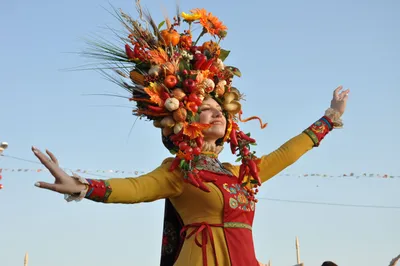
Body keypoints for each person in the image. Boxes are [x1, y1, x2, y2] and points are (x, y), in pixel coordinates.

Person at [31, 4, 349, 266]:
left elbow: (284, 154)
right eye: (206, 108)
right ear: (186, 121)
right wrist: (84, 187)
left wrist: (329, 118)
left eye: (220, 109)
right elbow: (136, 188)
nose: (218, 113)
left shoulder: (243, 173)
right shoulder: (178, 171)